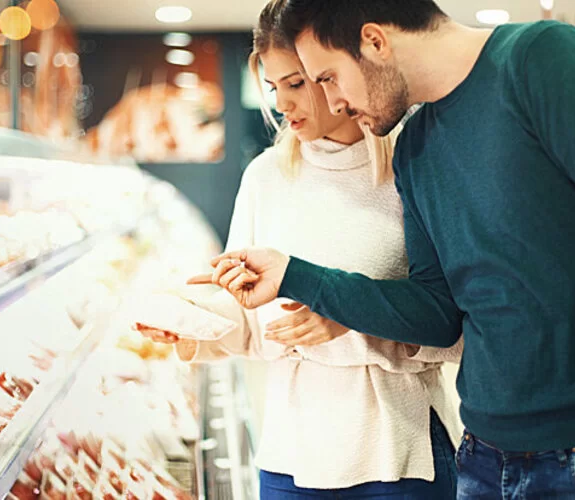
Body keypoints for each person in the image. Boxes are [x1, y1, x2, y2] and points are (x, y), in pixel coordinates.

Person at [194, 1, 575, 499]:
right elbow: (437, 312)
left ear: (374, 41)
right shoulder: (417, 144)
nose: (332, 102)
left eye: (328, 77)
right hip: (483, 455)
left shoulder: (542, 59)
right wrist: (294, 274)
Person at [136, 1, 463, 498]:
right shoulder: (265, 177)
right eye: (273, 88)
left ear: (332, 71)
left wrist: (350, 319)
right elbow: (253, 325)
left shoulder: (414, 169)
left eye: (296, 83)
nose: (283, 104)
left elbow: (454, 329)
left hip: (399, 453)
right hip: (292, 457)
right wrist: (194, 323)